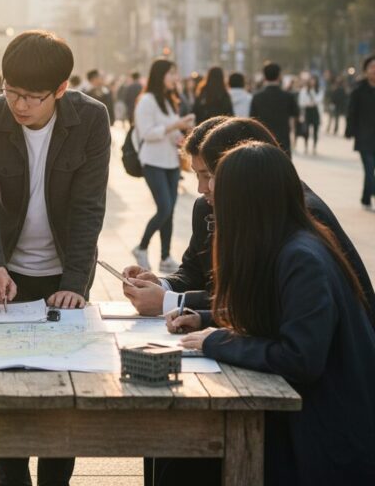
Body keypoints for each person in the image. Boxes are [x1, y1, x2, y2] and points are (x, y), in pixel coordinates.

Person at [171, 142, 375, 485]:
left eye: (221, 200)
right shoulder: (288, 243)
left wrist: (215, 341)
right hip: (310, 419)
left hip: (327, 435)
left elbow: (300, 357)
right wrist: (207, 319)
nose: (211, 205)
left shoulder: (302, 258)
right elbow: (274, 316)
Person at [0, 30, 112, 486]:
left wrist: (74, 282)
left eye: (32, 96)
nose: (19, 105)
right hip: (2, 272)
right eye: (10, 90)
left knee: (61, 395)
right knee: (4, 395)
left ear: (61, 90)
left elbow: (89, 208)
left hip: (64, 276)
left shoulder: (90, 119)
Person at [122, 116, 375, 326]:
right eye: (197, 175)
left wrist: (171, 301)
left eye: (209, 175)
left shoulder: (297, 215)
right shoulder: (207, 207)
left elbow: (261, 304)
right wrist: (160, 284)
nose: (202, 188)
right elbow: (194, 270)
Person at [131, 58, 194, 273]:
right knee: (164, 207)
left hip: (170, 161)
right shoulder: (146, 100)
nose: (176, 78)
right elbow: (147, 133)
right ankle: (141, 247)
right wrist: (175, 124)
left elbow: (169, 131)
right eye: (172, 73)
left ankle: (165, 257)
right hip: (153, 162)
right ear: (160, 75)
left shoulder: (168, 100)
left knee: (170, 211)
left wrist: (181, 131)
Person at [249, 61, 299, 157]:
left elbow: (252, 120)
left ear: (264, 76)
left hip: (263, 141)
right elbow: (294, 117)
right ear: (279, 76)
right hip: (283, 141)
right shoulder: (288, 96)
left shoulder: (257, 97)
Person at [346, 53, 375, 212]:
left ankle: (365, 197)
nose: (374, 70)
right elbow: (352, 111)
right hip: (364, 138)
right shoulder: (358, 90)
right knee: (369, 170)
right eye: (371, 67)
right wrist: (349, 130)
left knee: (370, 172)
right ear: (366, 70)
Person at [298, 75, 323, 155]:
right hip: (307, 112)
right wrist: (309, 103)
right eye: (311, 80)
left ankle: (314, 147)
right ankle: (306, 146)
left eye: (314, 80)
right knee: (306, 130)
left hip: (315, 112)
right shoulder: (304, 90)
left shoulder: (319, 90)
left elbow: (318, 100)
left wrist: (312, 94)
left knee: (315, 130)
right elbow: (301, 102)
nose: (312, 82)